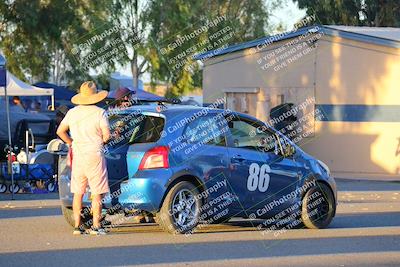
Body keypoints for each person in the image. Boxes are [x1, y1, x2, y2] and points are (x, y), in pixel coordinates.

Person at [56, 81, 111, 235]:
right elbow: (106, 136)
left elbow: (60, 131)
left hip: (78, 154)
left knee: (78, 192)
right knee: (97, 192)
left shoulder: (72, 112)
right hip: (94, 154)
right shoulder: (100, 112)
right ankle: (96, 226)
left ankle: (77, 226)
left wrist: (71, 143)